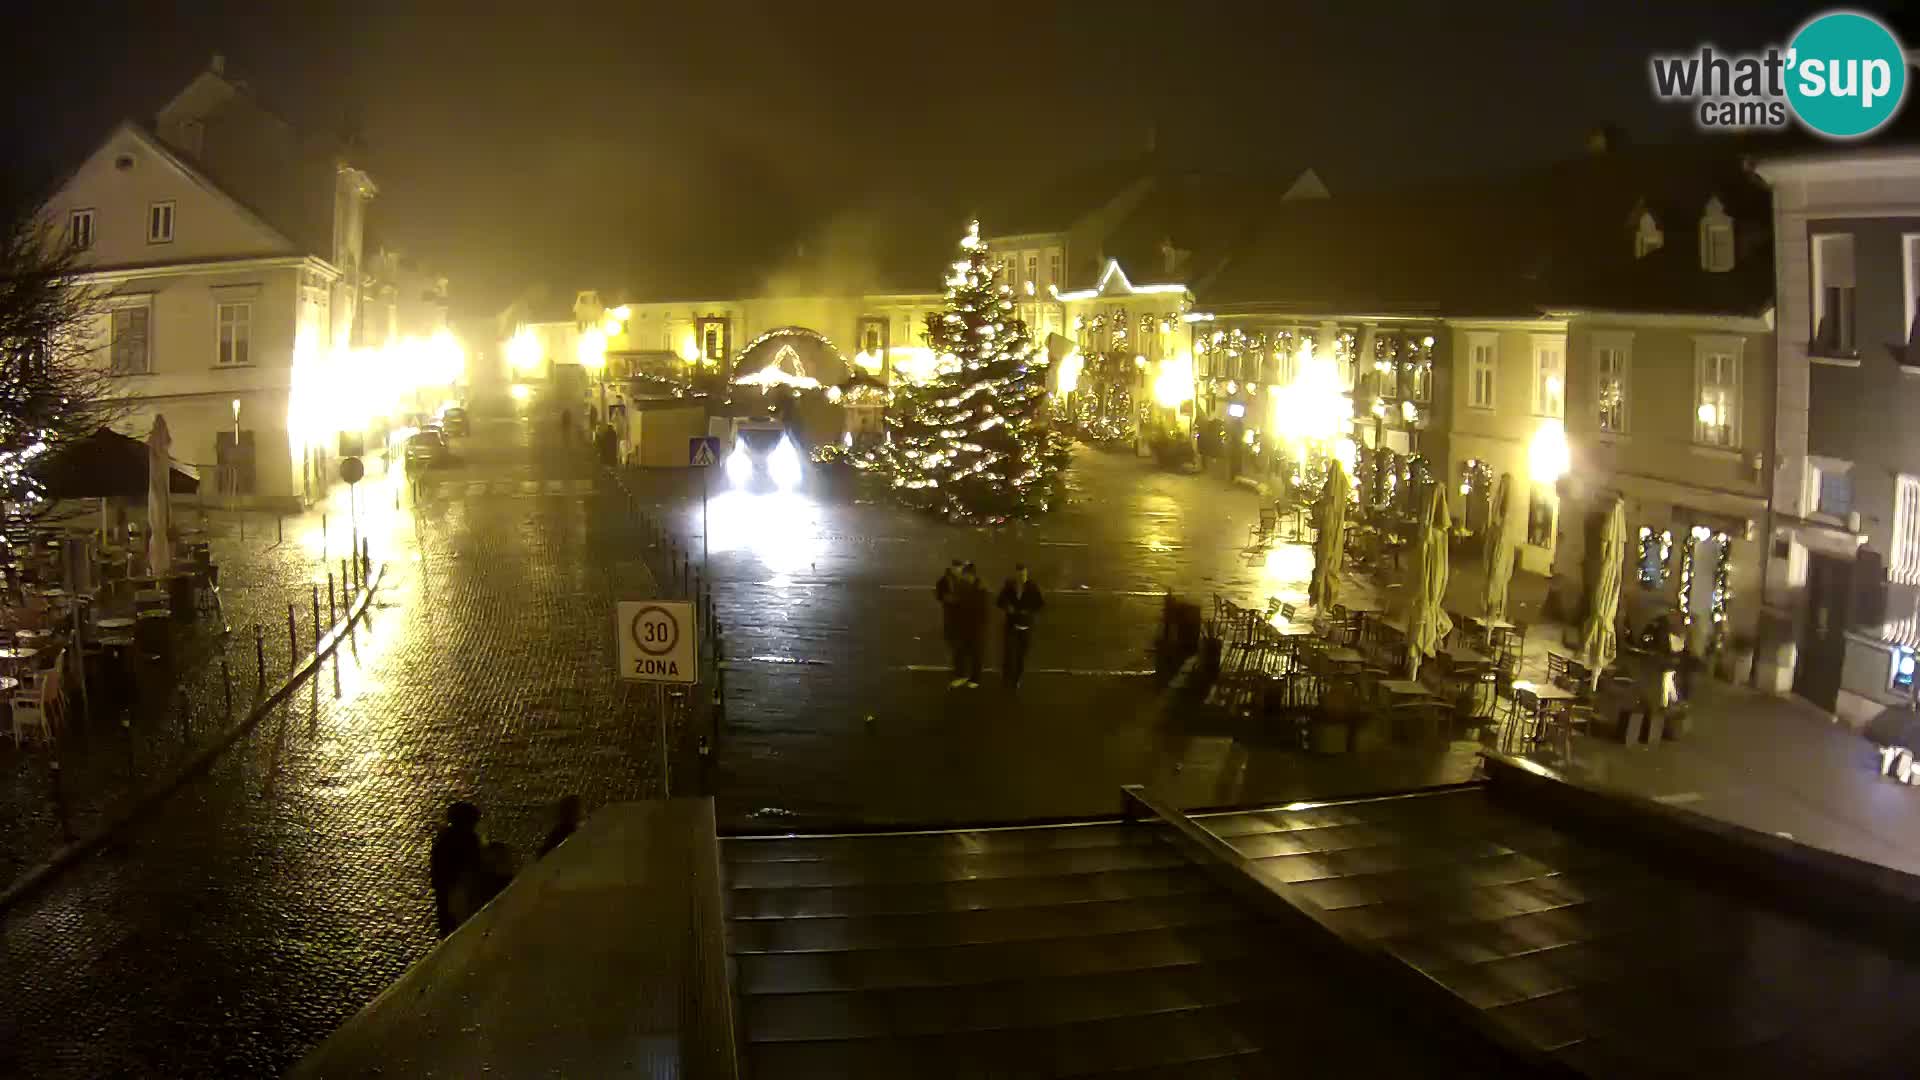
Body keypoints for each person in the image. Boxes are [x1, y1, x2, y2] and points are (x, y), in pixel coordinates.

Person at [429, 801, 482, 937]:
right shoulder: (469, 840)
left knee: (447, 924)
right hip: (460, 890)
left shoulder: (443, 839)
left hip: (448, 889)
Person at [996, 564, 1045, 689]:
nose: (1021, 577)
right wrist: (1007, 607)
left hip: (1025, 626)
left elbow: (1040, 604)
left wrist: (1028, 611)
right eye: (1019, 574)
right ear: (1016, 574)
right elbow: (999, 601)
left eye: (1023, 574)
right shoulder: (1009, 585)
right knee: (1009, 653)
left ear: (1026, 574)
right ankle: (1007, 678)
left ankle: (1016, 678)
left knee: (1020, 655)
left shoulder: (1032, 586)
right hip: (1011, 625)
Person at [953, 563, 988, 689]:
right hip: (965, 626)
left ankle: (975, 678)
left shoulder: (980, 588)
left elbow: (983, 610)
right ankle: (962, 676)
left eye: (965, 575)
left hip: (976, 627)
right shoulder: (964, 587)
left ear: (970, 575)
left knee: (975, 653)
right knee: (961, 651)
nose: (964, 577)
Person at [934, 559, 963, 678]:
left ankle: (957, 666)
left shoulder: (955, 580)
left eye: (959, 568)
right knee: (953, 640)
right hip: (952, 616)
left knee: (955, 641)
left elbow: (939, 595)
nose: (958, 570)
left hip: (956, 616)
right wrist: (948, 598)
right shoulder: (945, 581)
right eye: (957, 567)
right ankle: (956, 666)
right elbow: (939, 595)